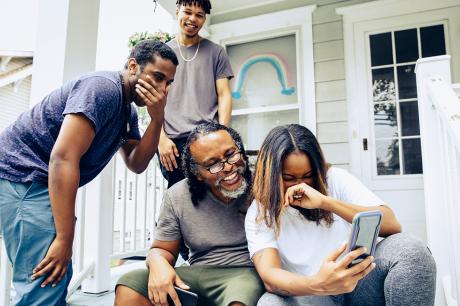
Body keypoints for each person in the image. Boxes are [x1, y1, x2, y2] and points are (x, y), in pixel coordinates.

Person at [0, 40, 178, 306]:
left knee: (54, 278)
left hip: (36, 184)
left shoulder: (126, 110)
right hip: (22, 177)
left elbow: (136, 162)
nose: (162, 89)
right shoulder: (103, 89)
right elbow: (62, 158)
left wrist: (157, 118)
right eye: (158, 77)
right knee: (45, 282)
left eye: (168, 83)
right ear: (133, 66)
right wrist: (64, 237)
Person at [246, 124, 437, 306]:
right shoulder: (260, 211)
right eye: (288, 178)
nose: (300, 185)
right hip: (312, 294)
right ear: (270, 174)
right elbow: (270, 275)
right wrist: (319, 283)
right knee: (269, 303)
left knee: (411, 250)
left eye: (308, 175)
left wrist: (325, 202)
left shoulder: (335, 179)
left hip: (360, 283)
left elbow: (392, 224)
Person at [115, 122, 264, 306]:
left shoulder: (264, 184)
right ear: (197, 173)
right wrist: (157, 263)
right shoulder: (177, 195)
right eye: (213, 164)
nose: (227, 167)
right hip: (198, 272)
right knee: (130, 285)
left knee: (240, 298)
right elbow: (163, 250)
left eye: (231, 154)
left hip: (246, 272)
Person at [158, 0, 233, 189]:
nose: (193, 19)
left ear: (204, 18)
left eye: (199, 15)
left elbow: (224, 94)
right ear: (177, 12)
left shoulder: (216, 52)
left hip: (207, 137)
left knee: (213, 196)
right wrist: (161, 139)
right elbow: (154, 99)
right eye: (188, 12)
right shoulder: (162, 54)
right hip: (173, 143)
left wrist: (222, 135)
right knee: (180, 199)